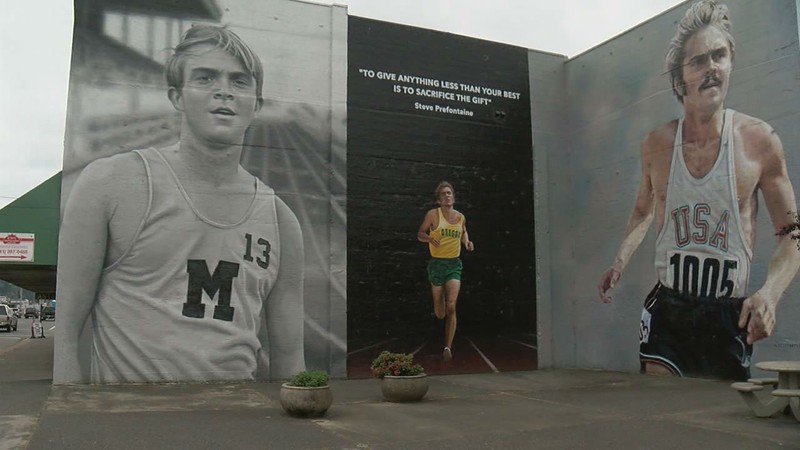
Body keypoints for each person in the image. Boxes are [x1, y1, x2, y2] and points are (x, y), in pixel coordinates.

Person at [54, 25, 305, 384]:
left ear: (257, 105)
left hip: (240, 422)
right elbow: (66, 333)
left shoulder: (280, 219)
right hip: (130, 424)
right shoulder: (112, 183)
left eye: (239, 81)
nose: (224, 91)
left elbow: (289, 354)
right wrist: (67, 415)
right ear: (177, 96)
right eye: (205, 78)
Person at [597, 0, 800, 380]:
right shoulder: (656, 145)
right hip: (670, 309)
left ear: (731, 63)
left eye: (719, 56)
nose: (711, 68)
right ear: (679, 80)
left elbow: (792, 232)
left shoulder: (759, 141)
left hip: (727, 314)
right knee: (661, 415)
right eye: (698, 61)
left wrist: (770, 293)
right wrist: (620, 262)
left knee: (715, 421)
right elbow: (643, 212)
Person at [417, 181, 474, 361]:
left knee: (451, 305)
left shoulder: (461, 217)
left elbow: (464, 232)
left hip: (453, 264)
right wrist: (429, 239)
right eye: (443, 194)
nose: (447, 196)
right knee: (440, 312)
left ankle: (448, 346)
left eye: (449, 193)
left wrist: (467, 242)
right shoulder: (433, 215)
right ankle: (438, 304)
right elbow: (420, 234)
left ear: (453, 197)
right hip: (436, 265)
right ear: (439, 200)